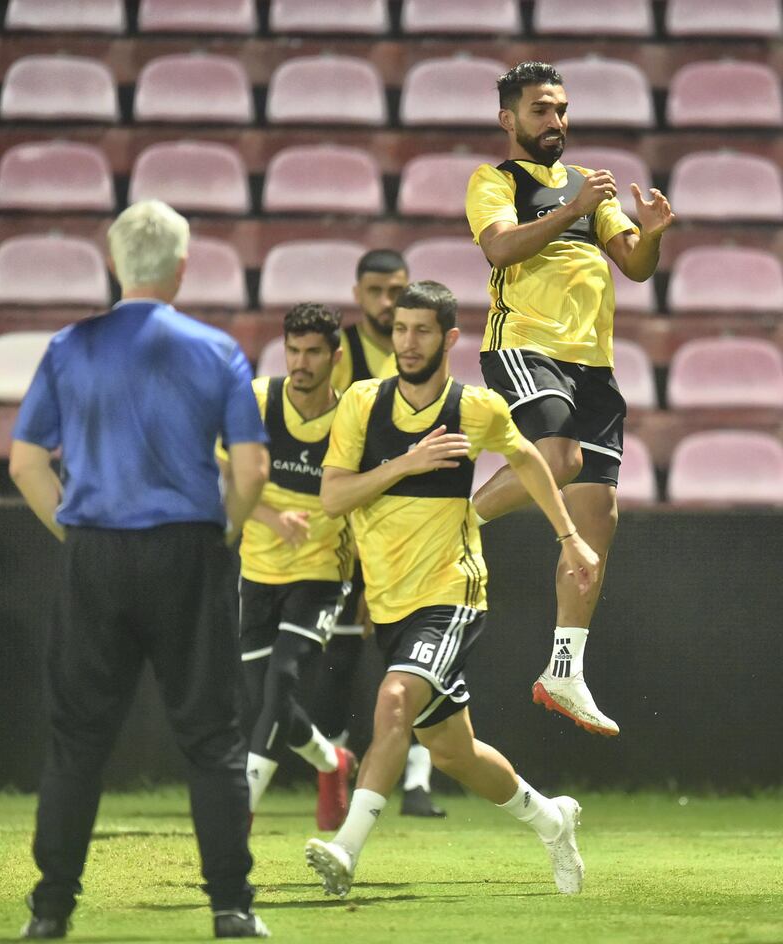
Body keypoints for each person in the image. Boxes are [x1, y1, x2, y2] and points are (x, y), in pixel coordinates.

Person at [9, 200, 271, 940]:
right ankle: (232, 908)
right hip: (190, 550)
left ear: (115, 265)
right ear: (183, 268)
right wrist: (226, 530)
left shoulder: (69, 346)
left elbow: (27, 463)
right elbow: (250, 468)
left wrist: (75, 530)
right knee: (214, 737)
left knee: (77, 742)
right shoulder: (217, 350)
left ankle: (50, 910)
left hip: (96, 550)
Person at [304, 280, 600, 899]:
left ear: (450, 339)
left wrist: (569, 536)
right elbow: (332, 497)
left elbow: (527, 460)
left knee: (392, 701)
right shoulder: (362, 402)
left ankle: (345, 849)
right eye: (400, 329)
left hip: (452, 593)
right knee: (452, 753)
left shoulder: (476, 408)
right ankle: (553, 819)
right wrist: (405, 464)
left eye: (422, 331)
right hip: (389, 602)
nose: (407, 343)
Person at [465, 61, 675, 736]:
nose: (555, 121)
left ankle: (564, 668)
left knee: (598, 516)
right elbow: (500, 250)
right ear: (510, 121)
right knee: (554, 459)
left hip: (593, 366)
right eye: (540, 111)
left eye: (560, 109)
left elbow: (634, 263)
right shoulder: (495, 181)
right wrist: (573, 211)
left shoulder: (591, 184)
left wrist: (655, 234)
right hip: (526, 349)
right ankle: (454, 523)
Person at [217, 303, 357, 833]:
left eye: (313, 352)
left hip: (323, 572)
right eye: (293, 350)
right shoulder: (256, 399)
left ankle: (240, 809)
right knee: (266, 699)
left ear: (334, 357)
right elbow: (220, 469)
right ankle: (332, 762)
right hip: (257, 569)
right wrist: (271, 516)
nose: (301, 362)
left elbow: (363, 499)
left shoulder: (352, 415)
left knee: (280, 682)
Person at [316, 249, 446, 818]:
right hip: (352, 522)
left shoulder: (423, 358)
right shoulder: (343, 356)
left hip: (413, 525)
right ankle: (337, 773)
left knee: (417, 656)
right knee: (341, 657)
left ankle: (418, 780)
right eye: (376, 292)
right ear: (357, 293)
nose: (387, 302)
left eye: (396, 290)